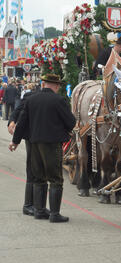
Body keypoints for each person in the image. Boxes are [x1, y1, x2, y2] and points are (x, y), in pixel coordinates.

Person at [9, 74, 76, 223]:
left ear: (44, 84)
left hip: (34, 143)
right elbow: (71, 122)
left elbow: (23, 122)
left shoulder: (31, 99)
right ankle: (54, 214)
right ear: (56, 85)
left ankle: (39, 211)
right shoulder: (59, 100)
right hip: (52, 144)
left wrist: (15, 141)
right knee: (55, 179)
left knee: (38, 177)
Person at [7, 83, 44, 216]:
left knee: (41, 172)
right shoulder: (30, 96)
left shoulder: (57, 97)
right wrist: (12, 121)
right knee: (32, 169)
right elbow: (18, 112)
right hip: (32, 137)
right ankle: (28, 204)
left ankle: (39, 206)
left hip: (47, 139)